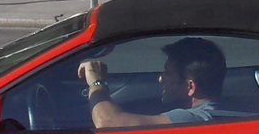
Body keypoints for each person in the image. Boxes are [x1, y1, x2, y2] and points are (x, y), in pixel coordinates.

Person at [78, 38, 229, 128]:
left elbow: (108, 122)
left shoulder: (193, 119)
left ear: (190, 87)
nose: (161, 79)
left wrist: (96, 82)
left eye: (168, 73)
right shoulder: (217, 111)